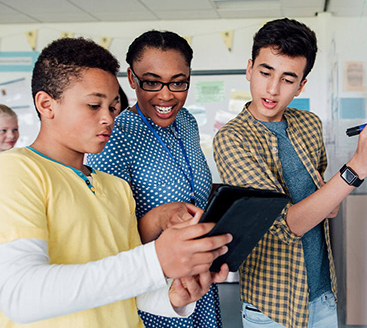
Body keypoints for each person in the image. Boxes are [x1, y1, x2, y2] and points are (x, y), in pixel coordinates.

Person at [0, 37, 231, 327]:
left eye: (113, 107)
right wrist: (156, 259)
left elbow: (127, 289)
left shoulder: (115, 188)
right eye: (94, 105)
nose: (108, 118)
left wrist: (174, 295)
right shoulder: (16, 171)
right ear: (47, 104)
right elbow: (22, 296)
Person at [213, 18, 367, 328]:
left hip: (322, 294)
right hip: (272, 306)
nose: (273, 89)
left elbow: (327, 205)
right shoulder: (232, 138)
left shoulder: (309, 124)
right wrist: (357, 167)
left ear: (302, 85)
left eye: (288, 79)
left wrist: (329, 196)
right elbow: (285, 225)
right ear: (250, 68)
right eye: (265, 73)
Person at [87, 30, 224, 328]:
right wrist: (158, 217)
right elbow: (108, 243)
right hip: (154, 291)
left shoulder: (186, 121)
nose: (166, 95)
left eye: (178, 82)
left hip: (199, 279)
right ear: (132, 79)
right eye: (152, 82)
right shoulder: (114, 136)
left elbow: (192, 191)